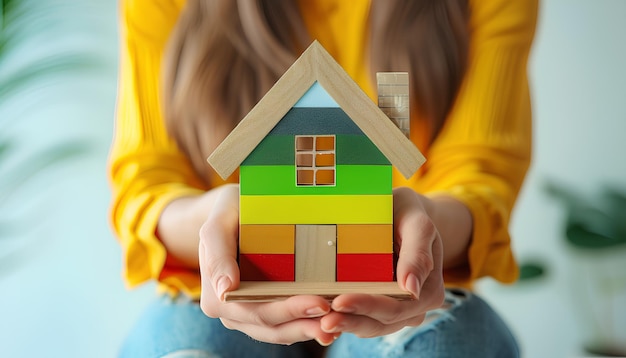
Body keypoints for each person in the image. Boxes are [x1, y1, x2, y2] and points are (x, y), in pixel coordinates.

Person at [108, 0, 538, 356]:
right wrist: (215, 221)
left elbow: (480, 177)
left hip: (391, 290)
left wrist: (421, 225)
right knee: (187, 344)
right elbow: (146, 181)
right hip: (234, 284)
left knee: (445, 339)